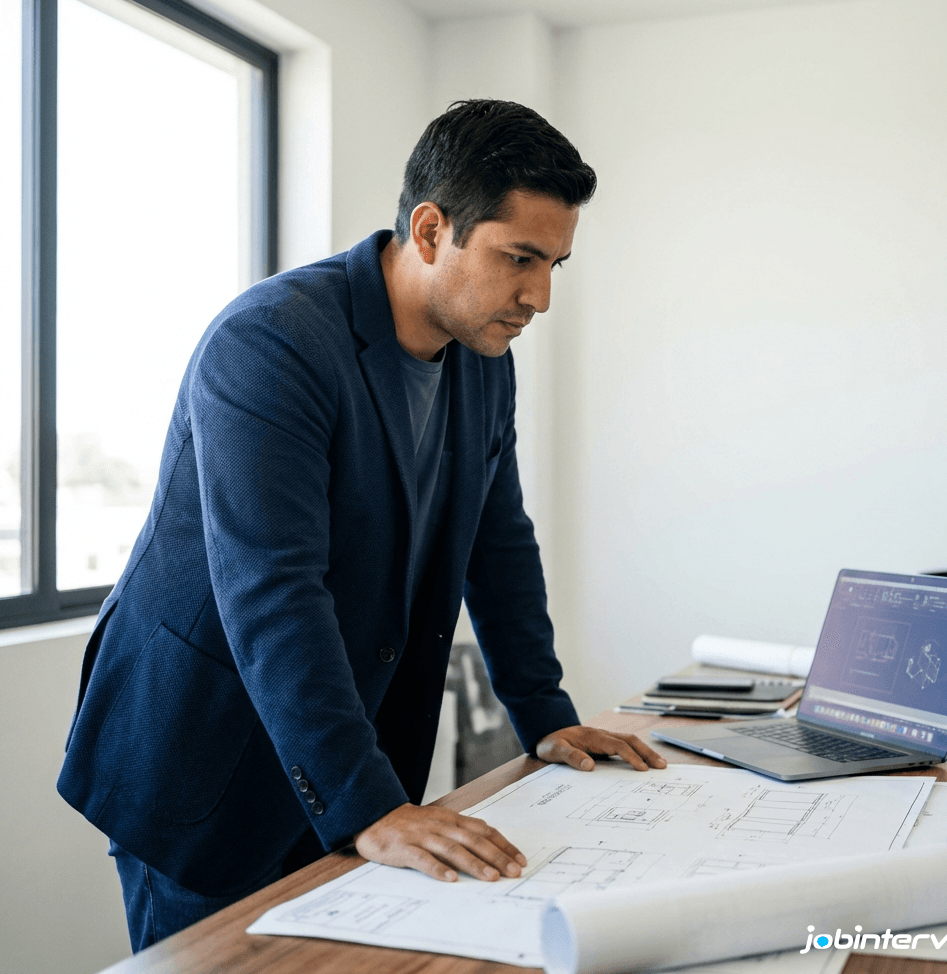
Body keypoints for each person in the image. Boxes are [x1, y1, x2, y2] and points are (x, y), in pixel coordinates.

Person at [57, 99, 666, 952]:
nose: (540, 296)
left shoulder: (484, 362)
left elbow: (500, 546)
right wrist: (370, 803)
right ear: (429, 229)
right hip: (204, 756)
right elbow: (274, 588)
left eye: (556, 263)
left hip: (339, 752)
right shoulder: (270, 343)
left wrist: (545, 714)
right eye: (520, 258)